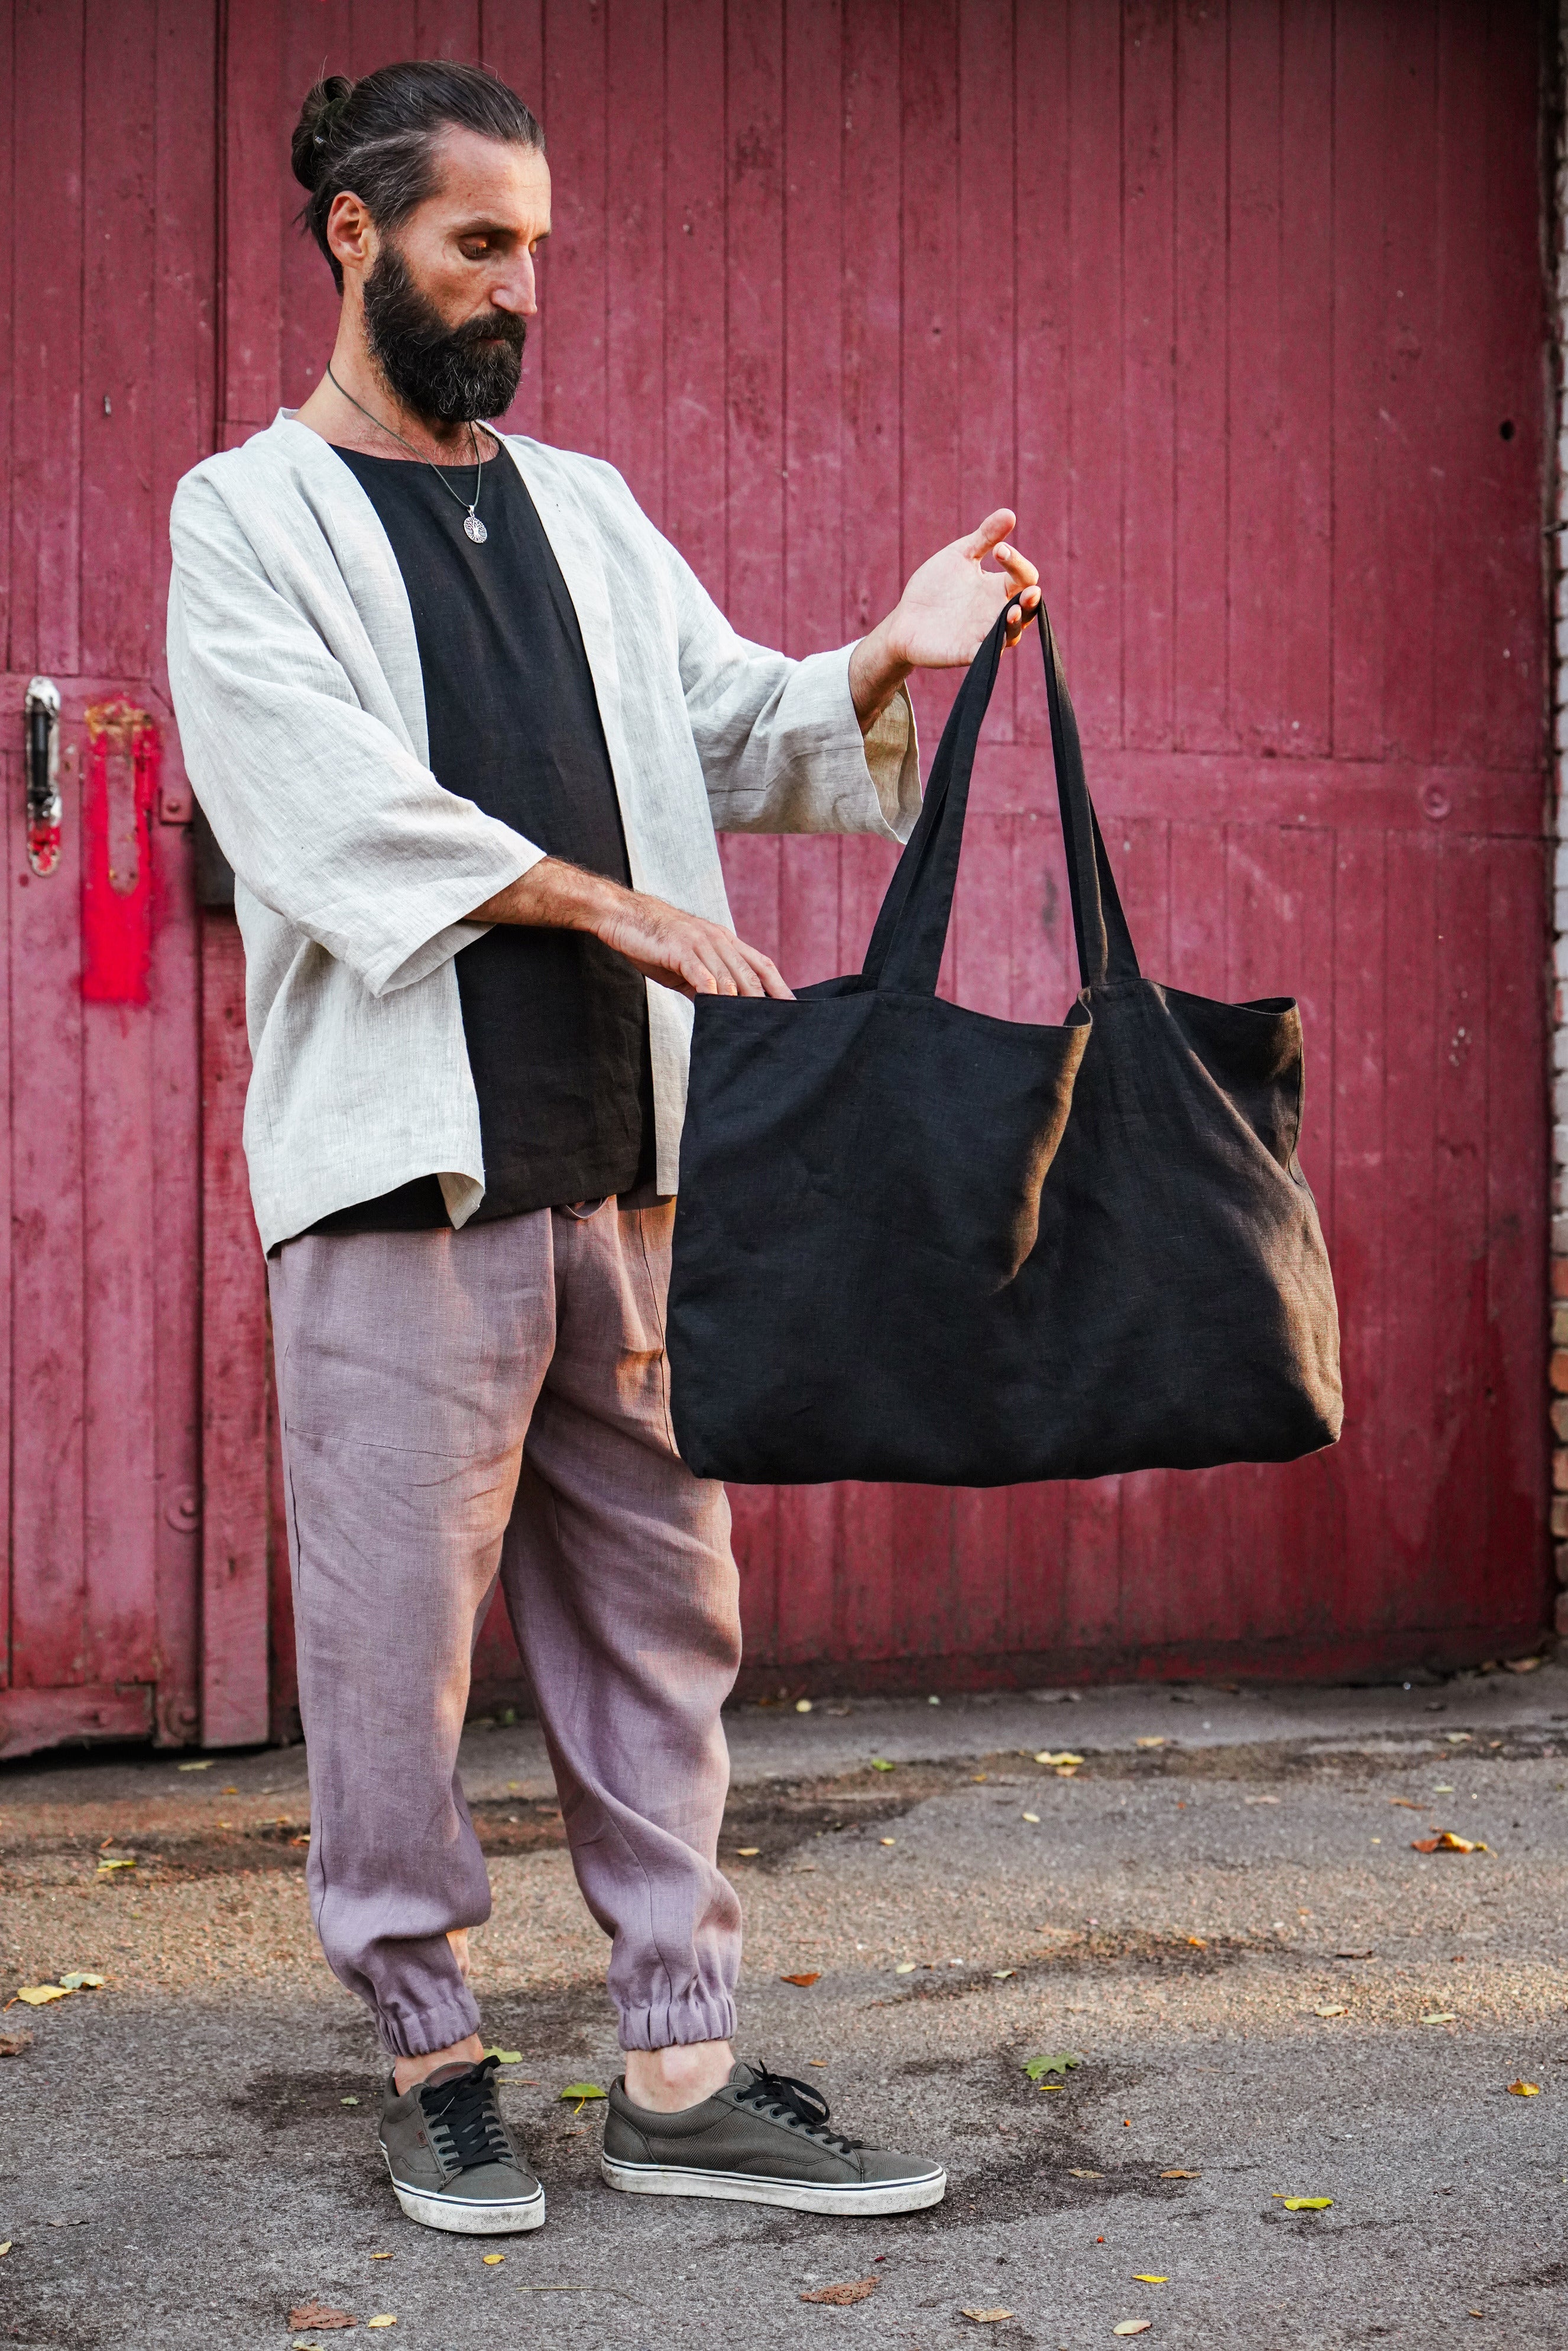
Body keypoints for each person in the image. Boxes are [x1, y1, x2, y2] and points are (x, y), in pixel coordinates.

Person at [167, 58, 1040, 2237]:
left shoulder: (587, 501)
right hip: (409, 1184)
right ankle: (434, 2057)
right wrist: (599, 896)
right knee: (390, 1646)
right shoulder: (240, 518)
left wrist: (883, 649)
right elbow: (315, 798)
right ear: (356, 237)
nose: (520, 287)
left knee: (666, 1623)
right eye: (481, 243)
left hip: (631, 1172)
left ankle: (679, 2063)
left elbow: (730, 718)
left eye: (539, 246)